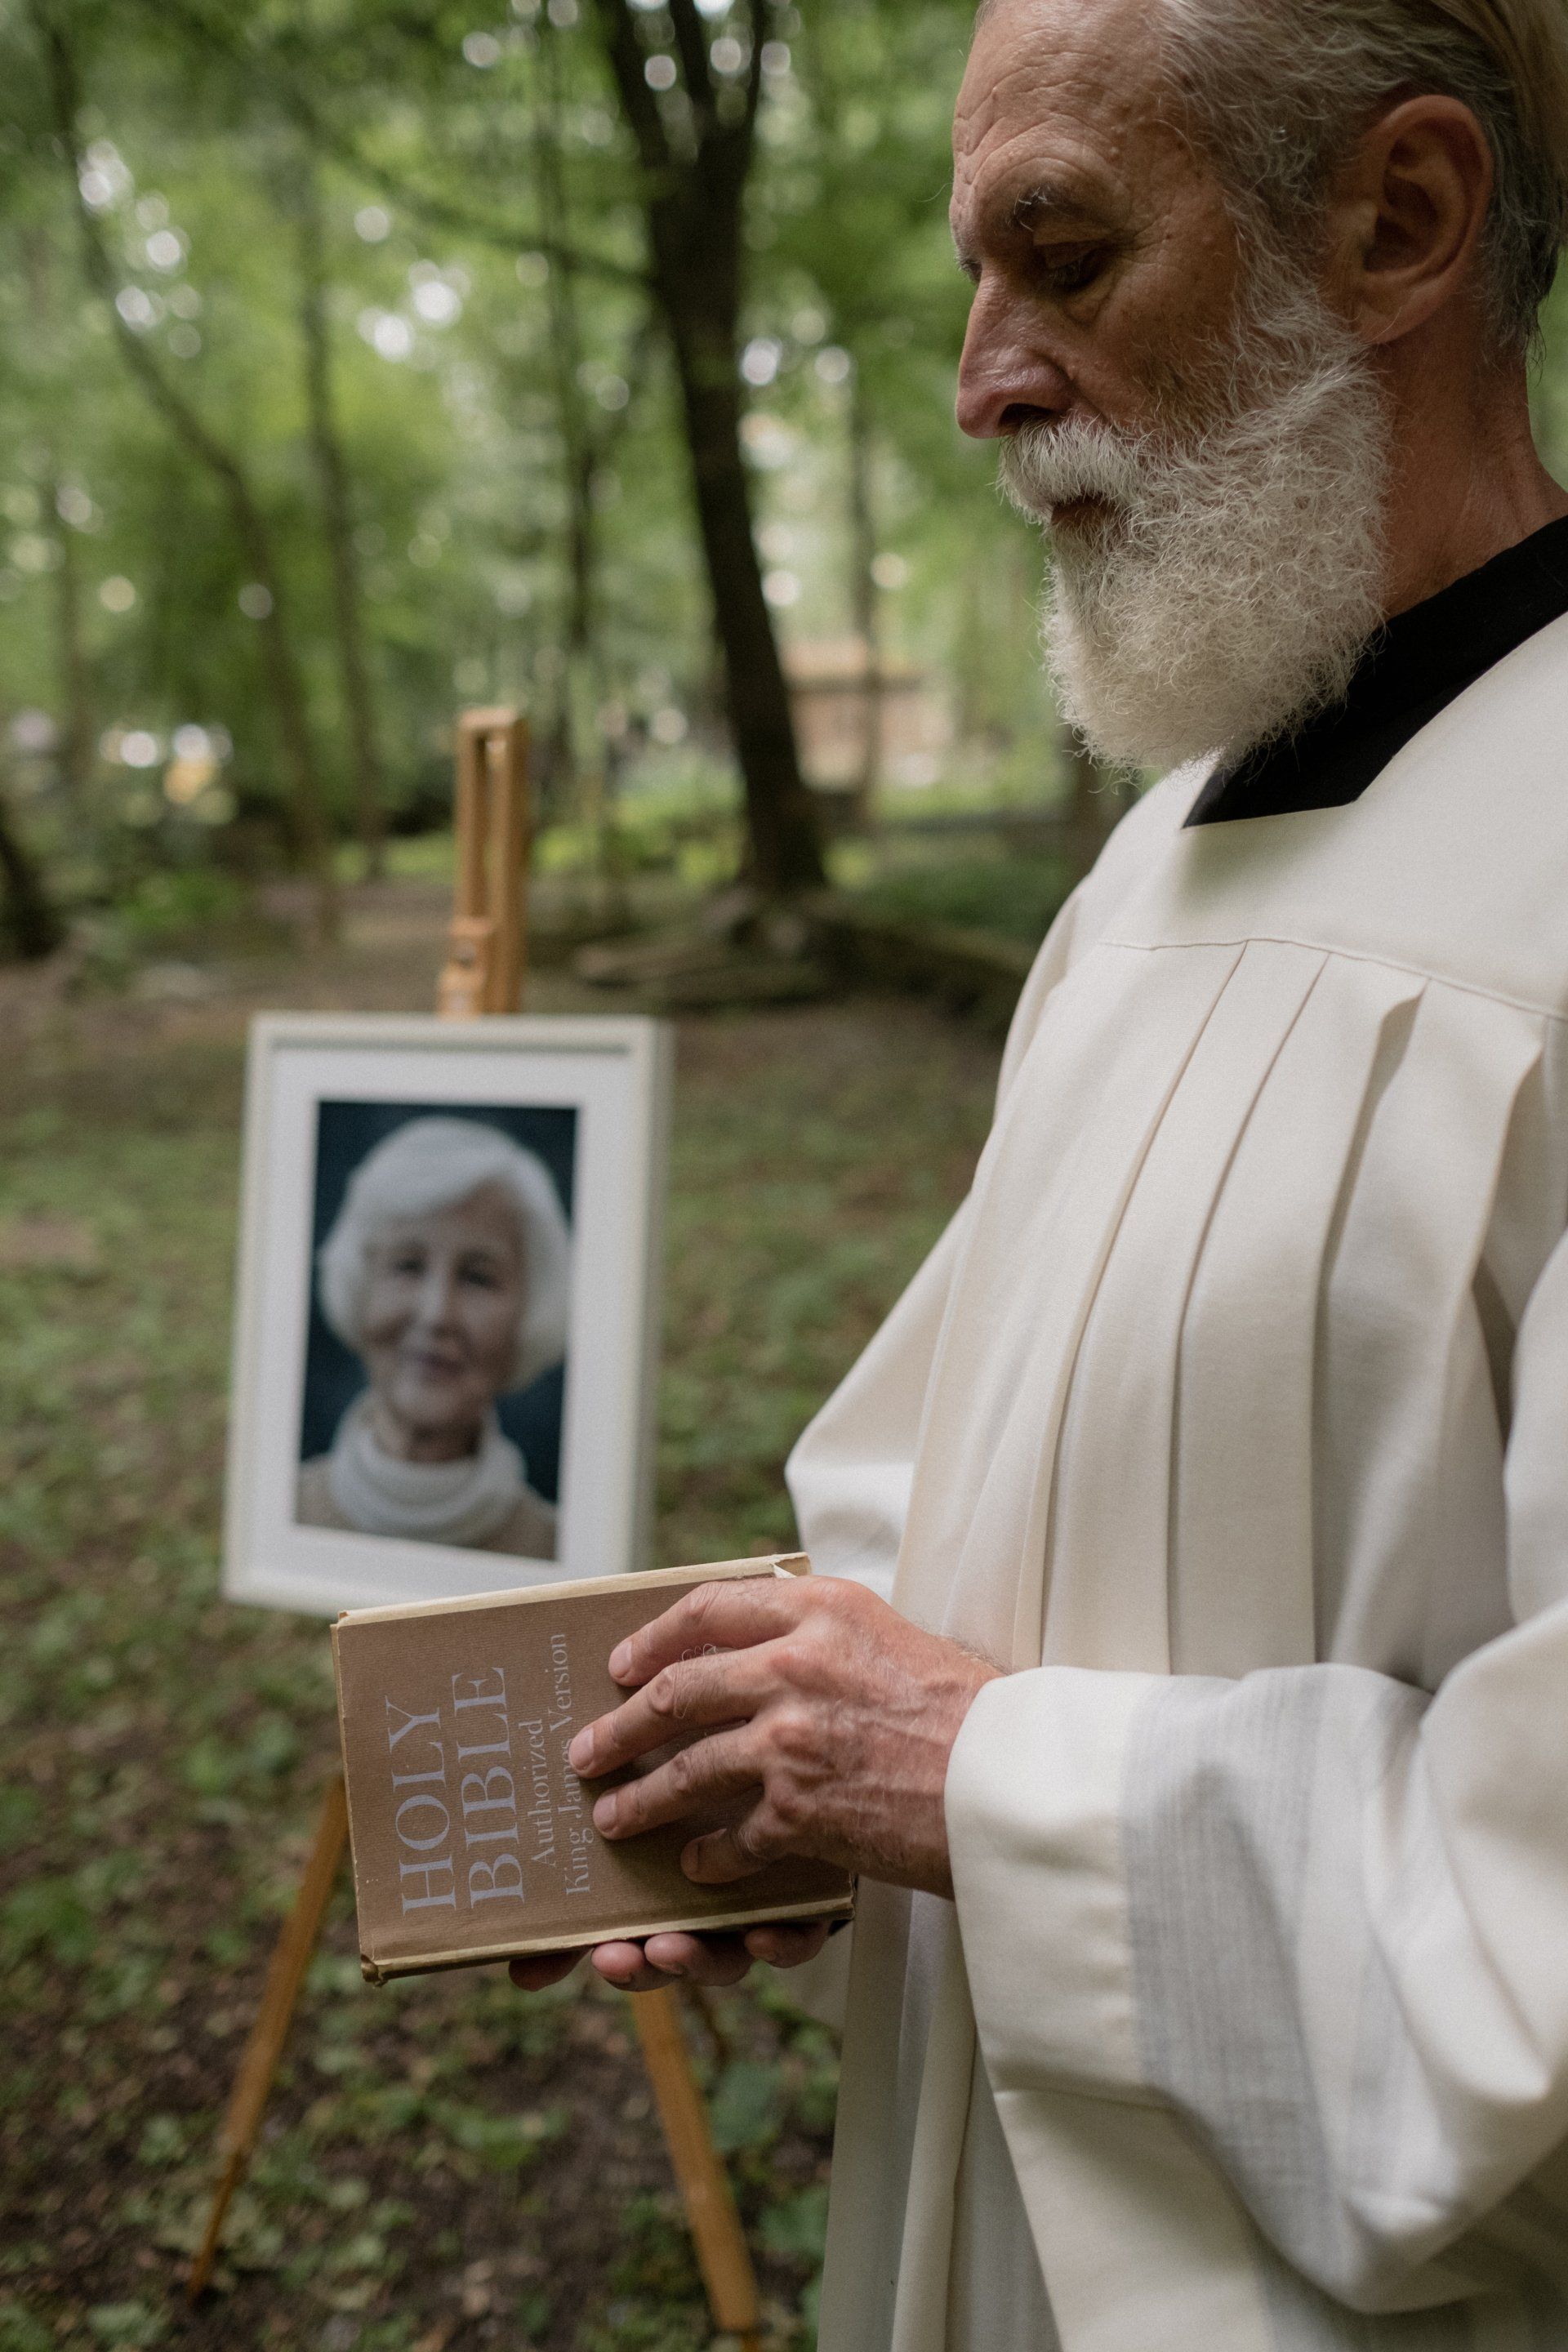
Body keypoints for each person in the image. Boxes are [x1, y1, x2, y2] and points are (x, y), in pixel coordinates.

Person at [514, 1, 1568, 2344]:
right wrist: (775, 1755)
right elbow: (965, 1490)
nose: (987, 380)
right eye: (976, 287)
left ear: (1400, 222)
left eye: (1066, 259)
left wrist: (973, 1777)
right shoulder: (1158, 860)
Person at [298, 1116, 569, 1559]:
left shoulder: (559, 1556)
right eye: (407, 1265)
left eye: (478, 1278)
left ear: (530, 1309)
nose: (436, 1314)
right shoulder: (283, 1520)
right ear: (360, 1284)